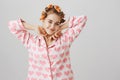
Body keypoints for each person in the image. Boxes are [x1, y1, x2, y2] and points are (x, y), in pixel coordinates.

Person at [8, 4, 87, 80]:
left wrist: (61, 27)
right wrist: (34, 27)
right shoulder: (31, 41)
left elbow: (82, 19)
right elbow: (11, 25)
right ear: (43, 20)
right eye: (49, 21)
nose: (52, 26)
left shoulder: (65, 39)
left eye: (56, 23)